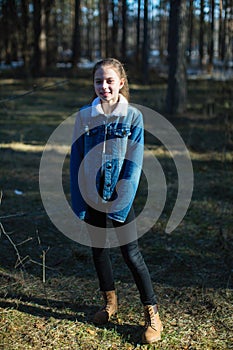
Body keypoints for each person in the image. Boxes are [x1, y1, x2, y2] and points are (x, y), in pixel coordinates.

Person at [70, 58, 163, 344]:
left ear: (121, 82)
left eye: (109, 80)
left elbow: (133, 164)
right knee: (99, 251)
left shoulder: (133, 116)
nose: (104, 86)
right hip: (92, 196)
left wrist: (120, 202)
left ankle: (152, 314)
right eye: (98, 81)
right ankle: (109, 303)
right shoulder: (85, 115)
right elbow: (76, 160)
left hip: (121, 197)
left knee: (131, 254)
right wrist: (80, 201)